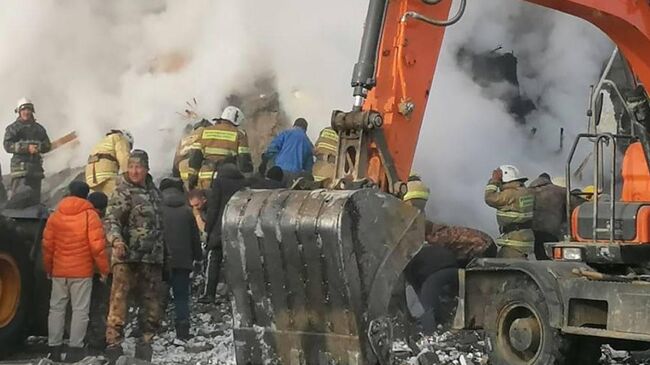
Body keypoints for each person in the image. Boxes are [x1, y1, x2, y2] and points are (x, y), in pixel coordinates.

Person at [103, 150, 164, 362]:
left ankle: (145, 346)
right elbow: (111, 221)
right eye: (131, 167)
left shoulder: (155, 193)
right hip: (126, 259)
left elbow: (161, 226)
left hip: (152, 259)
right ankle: (114, 346)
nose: (135, 171)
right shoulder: (122, 192)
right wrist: (116, 241)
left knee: (152, 306)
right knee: (119, 303)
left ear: (146, 169)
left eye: (139, 167)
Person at [42, 181, 109, 362]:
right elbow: (98, 247)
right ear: (86, 195)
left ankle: (54, 348)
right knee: (80, 311)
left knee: (56, 309)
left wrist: (49, 268)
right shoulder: (90, 216)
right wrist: (104, 270)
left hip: (59, 271)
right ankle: (75, 350)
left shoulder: (56, 215)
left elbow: (48, 246)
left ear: (69, 193)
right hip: (82, 272)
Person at [199, 162, 249, 303]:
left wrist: (208, 229)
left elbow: (214, 207)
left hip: (220, 227)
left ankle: (209, 294)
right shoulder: (244, 183)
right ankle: (237, 296)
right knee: (237, 262)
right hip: (237, 226)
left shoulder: (219, 182)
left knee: (214, 259)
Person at [159, 178, 202, 340]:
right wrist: (198, 258)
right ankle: (183, 330)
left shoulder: (158, 209)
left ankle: (155, 328)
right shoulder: (186, 211)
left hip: (161, 261)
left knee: (158, 295)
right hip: (183, 261)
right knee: (182, 297)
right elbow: (195, 238)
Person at [187, 106, 253, 190]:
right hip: (226, 180)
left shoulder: (205, 131)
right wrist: (248, 181)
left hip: (205, 179)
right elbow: (244, 161)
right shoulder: (239, 134)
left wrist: (192, 181)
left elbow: (195, 158)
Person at [3, 98, 51, 203]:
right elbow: (7, 145)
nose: (26, 112)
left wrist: (39, 147)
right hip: (20, 171)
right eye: (24, 110)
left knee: (34, 201)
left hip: (35, 171)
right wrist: (27, 148)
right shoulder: (13, 128)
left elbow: (47, 145)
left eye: (28, 109)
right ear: (19, 112)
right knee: (18, 200)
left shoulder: (39, 129)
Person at [484, 165, 535, 259]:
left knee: (504, 268)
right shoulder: (525, 191)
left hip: (514, 241)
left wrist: (494, 181)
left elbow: (489, 198)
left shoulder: (510, 194)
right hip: (524, 237)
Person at [262, 118, 314, 185]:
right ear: (305, 129)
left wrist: (265, 157)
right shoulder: (308, 143)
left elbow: (273, 148)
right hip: (295, 176)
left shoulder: (286, 133)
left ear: (294, 125)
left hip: (279, 173)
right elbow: (308, 168)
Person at [528, 173, 568, 259]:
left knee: (539, 257)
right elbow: (577, 205)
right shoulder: (561, 191)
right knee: (551, 258)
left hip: (532, 233)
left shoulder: (526, 192)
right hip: (553, 233)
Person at [85, 130, 133, 195]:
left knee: (98, 201)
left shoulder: (103, 141)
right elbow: (124, 157)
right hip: (106, 174)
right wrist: (129, 175)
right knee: (115, 197)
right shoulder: (120, 138)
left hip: (91, 178)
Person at [173, 119, 212, 189]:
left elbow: (176, 163)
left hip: (181, 175)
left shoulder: (185, 138)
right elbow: (197, 158)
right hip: (194, 178)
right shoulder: (205, 136)